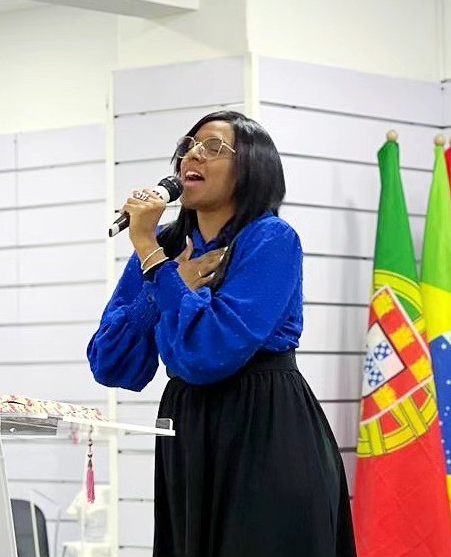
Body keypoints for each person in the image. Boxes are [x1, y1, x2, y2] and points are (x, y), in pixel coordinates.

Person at [87, 111, 356, 557]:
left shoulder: (270, 239)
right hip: (189, 428)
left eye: (212, 148)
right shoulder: (164, 246)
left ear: (251, 168)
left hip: (263, 422)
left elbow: (208, 352)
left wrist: (154, 260)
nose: (192, 154)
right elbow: (110, 362)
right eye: (188, 146)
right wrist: (164, 280)